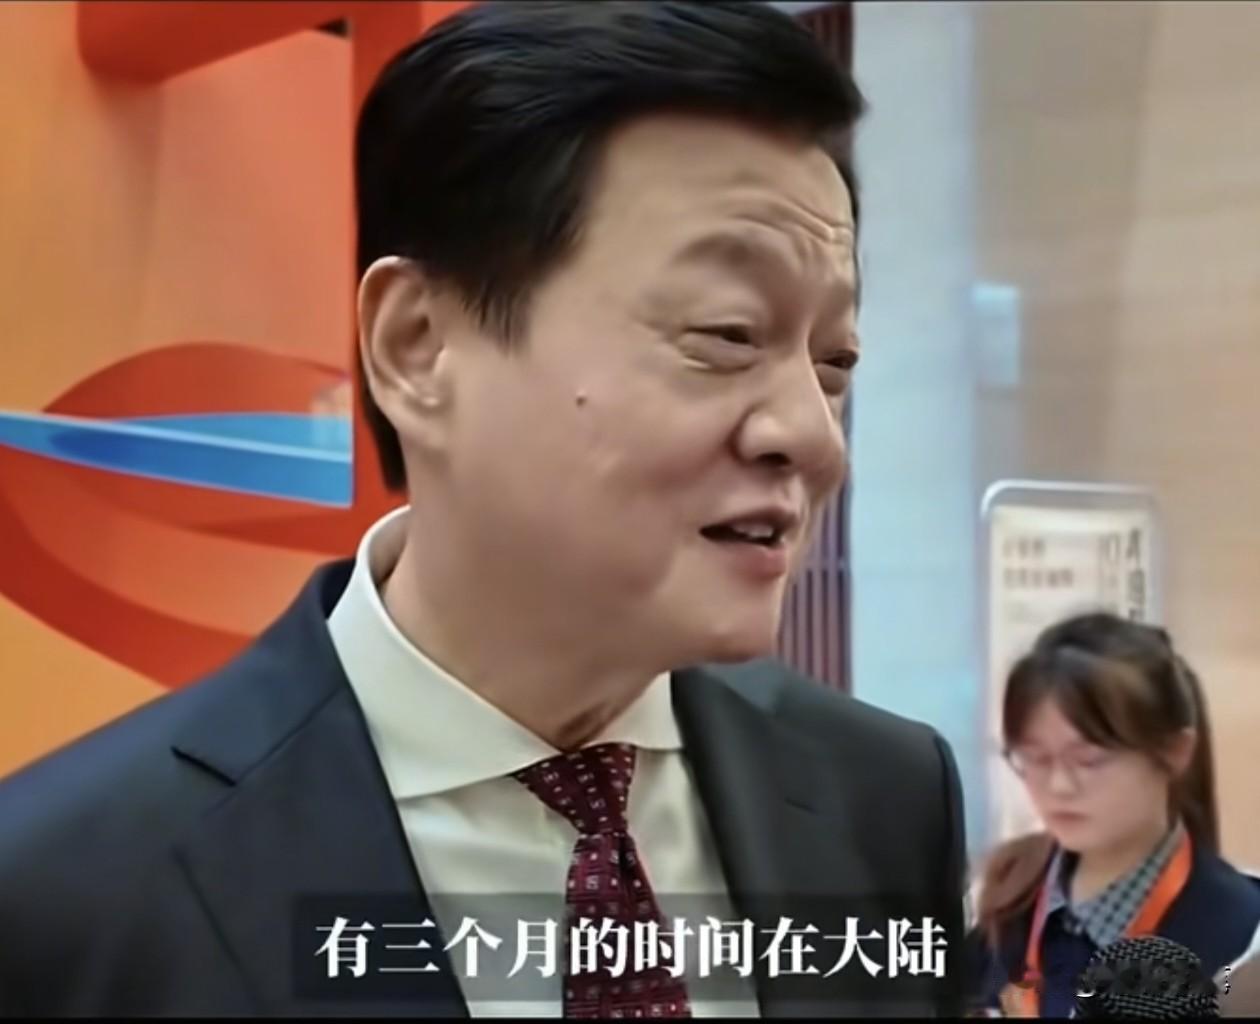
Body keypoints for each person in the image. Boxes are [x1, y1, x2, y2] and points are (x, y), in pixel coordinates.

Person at [0, 2, 967, 1017]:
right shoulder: (63, 894)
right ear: (418, 347)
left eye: (834, 363)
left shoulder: (883, 798)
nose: (812, 437)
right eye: (727, 333)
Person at [967, 612, 1260, 1017]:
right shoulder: (1009, 899)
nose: (1059, 786)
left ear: (1176, 752)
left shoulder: (1243, 941)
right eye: (1035, 759)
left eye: (1089, 760)